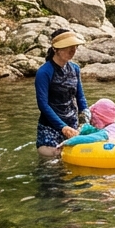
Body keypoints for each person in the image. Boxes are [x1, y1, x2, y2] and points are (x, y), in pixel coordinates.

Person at [35, 29, 89, 157]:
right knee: (54, 164)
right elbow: (43, 105)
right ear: (55, 49)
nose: (72, 50)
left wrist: (85, 119)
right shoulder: (44, 72)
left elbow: (80, 98)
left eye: (74, 47)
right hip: (50, 128)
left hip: (73, 125)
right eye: (67, 47)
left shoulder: (75, 68)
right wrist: (63, 127)